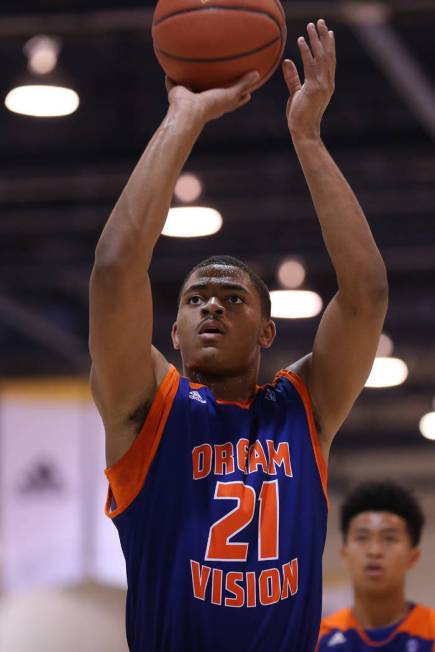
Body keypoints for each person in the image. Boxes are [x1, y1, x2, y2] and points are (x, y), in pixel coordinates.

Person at [89, 19, 388, 652]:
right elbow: (116, 272)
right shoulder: (147, 410)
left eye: (232, 298)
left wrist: (306, 135)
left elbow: (366, 295)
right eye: (195, 299)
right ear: (173, 331)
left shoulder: (301, 407)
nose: (212, 309)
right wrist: (182, 119)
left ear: (266, 331)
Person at [317, 481, 435, 650]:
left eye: (389, 538)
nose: (374, 551)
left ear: (413, 557)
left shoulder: (431, 631)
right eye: (362, 537)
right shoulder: (318, 639)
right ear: (345, 554)